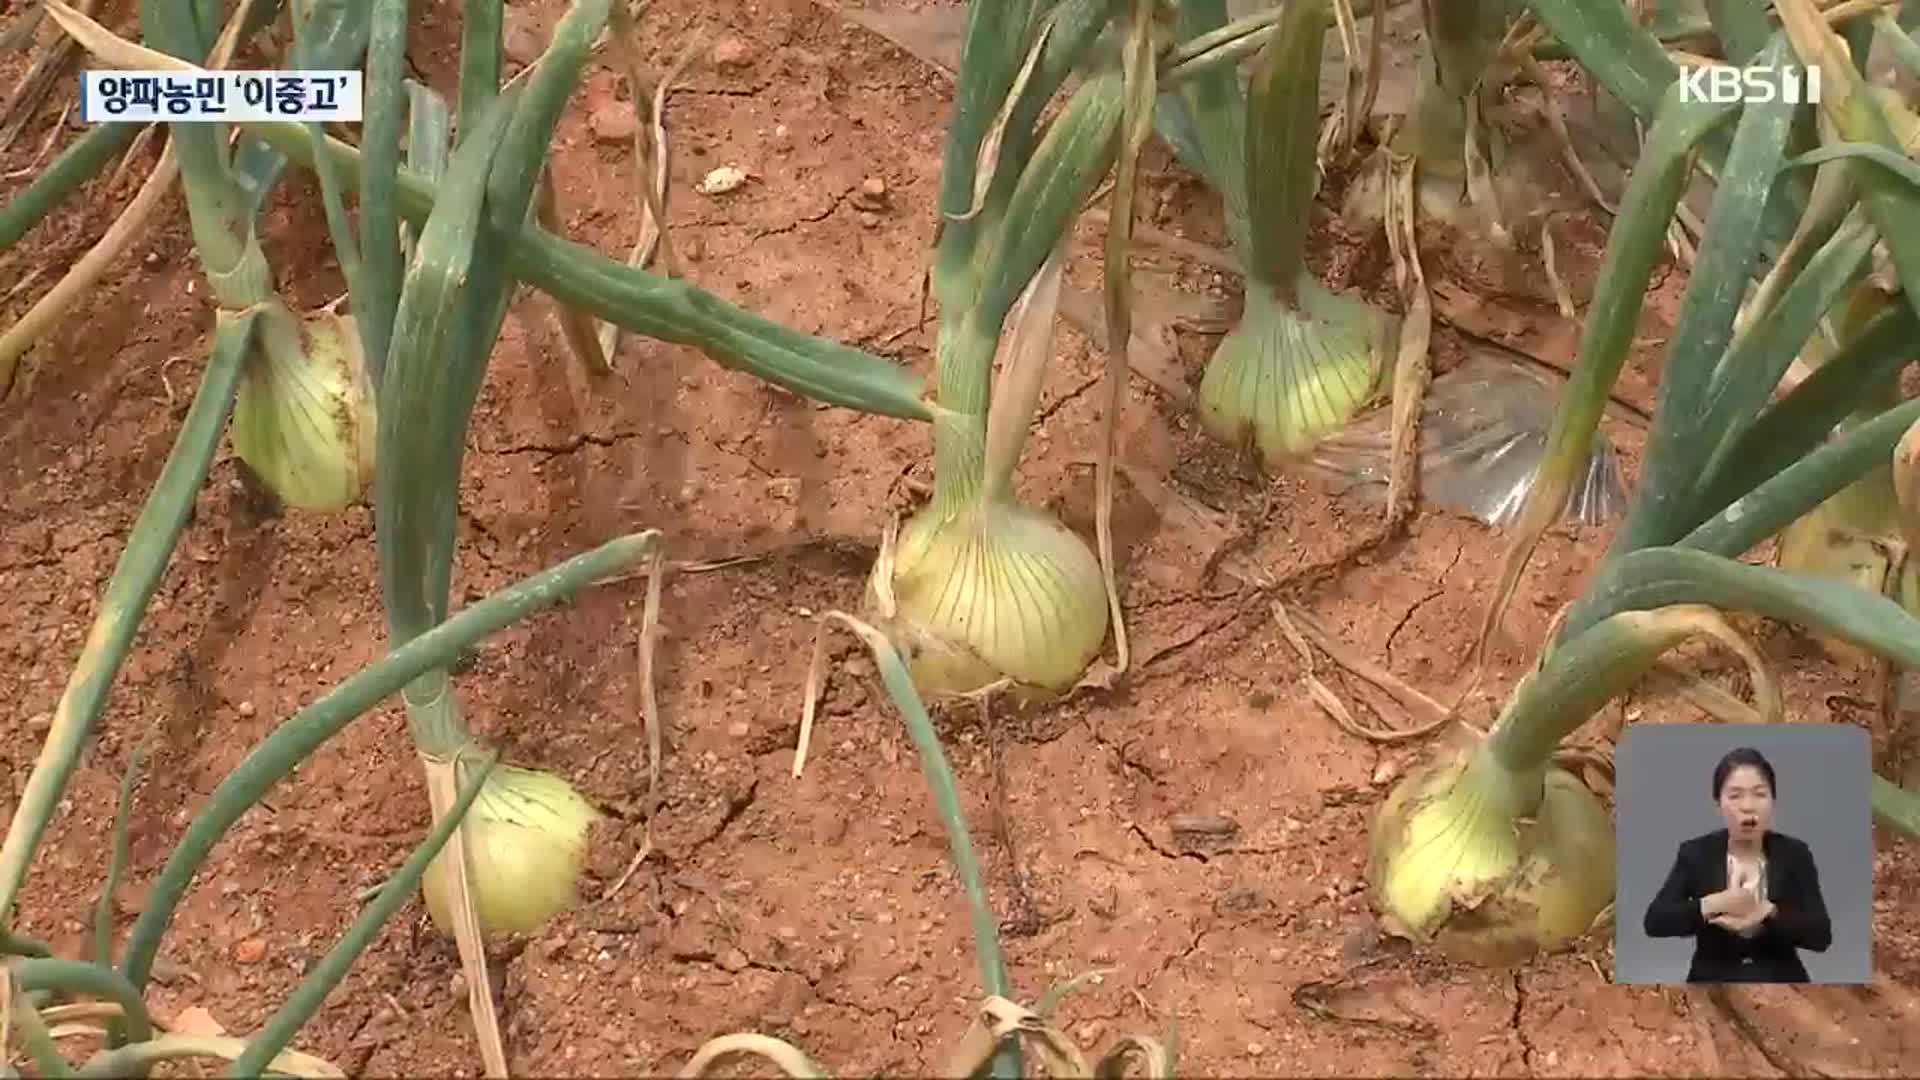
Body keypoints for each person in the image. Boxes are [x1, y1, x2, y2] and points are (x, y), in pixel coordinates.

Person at [1642, 747, 1832, 983]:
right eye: (1735, 795)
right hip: (1712, 984)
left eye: (1759, 794)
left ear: (1773, 801)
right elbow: (1655, 921)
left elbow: (1821, 935)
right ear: (1718, 804)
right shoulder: (1696, 853)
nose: (1748, 806)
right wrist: (1714, 903)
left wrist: (1769, 912)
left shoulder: (1794, 854)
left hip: (1783, 985)